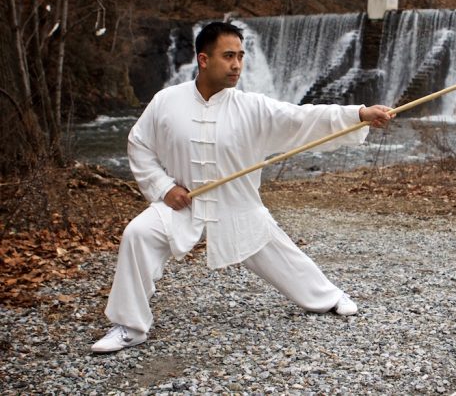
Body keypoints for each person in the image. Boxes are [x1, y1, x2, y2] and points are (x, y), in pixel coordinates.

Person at [91, 21, 393, 353]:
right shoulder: (166, 101)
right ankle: (130, 326)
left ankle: (329, 296)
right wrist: (163, 188)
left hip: (238, 207)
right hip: (184, 204)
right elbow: (139, 143)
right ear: (203, 59)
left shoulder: (252, 107)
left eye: (240, 56)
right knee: (137, 234)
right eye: (228, 56)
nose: (237, 64)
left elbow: (302, 117)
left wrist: (359, 114)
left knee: (282, 254)